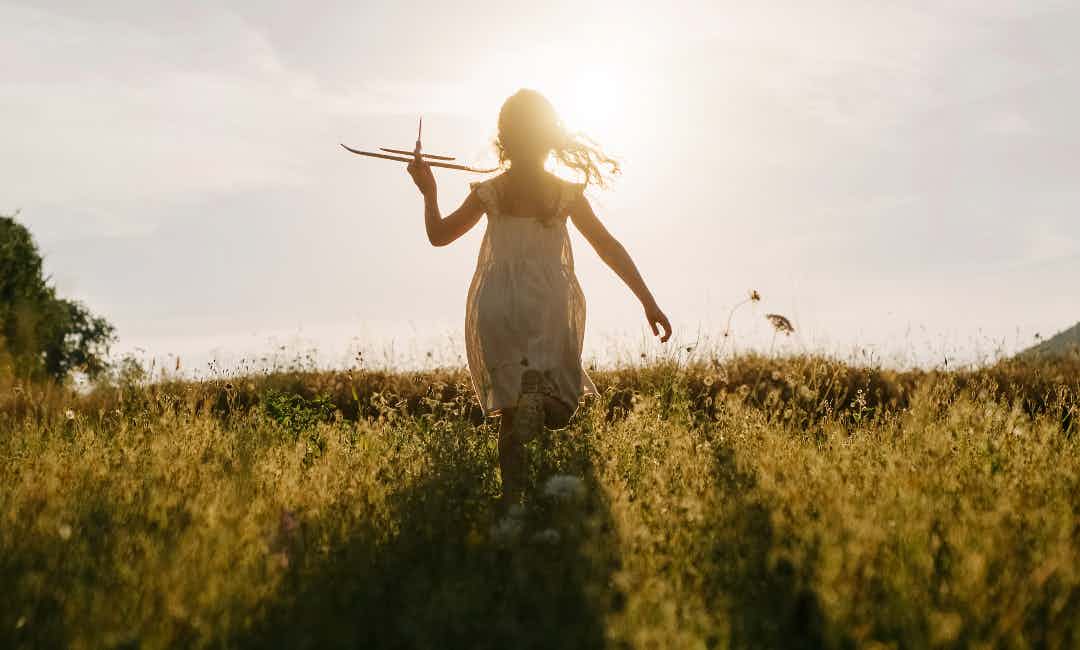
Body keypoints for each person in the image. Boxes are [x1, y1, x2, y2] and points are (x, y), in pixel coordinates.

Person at [407, 89, 671, 508]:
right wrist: (647, 300)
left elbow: (439, 236)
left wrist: (428, 191)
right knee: (562, 406)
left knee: (509, 418)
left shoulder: (489, 192)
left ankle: (513, 506)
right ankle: (540, 400)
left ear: (503, 138)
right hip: (547, 303)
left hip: (497, 303)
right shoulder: (563, 193)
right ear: (550, 136)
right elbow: (607, 246)